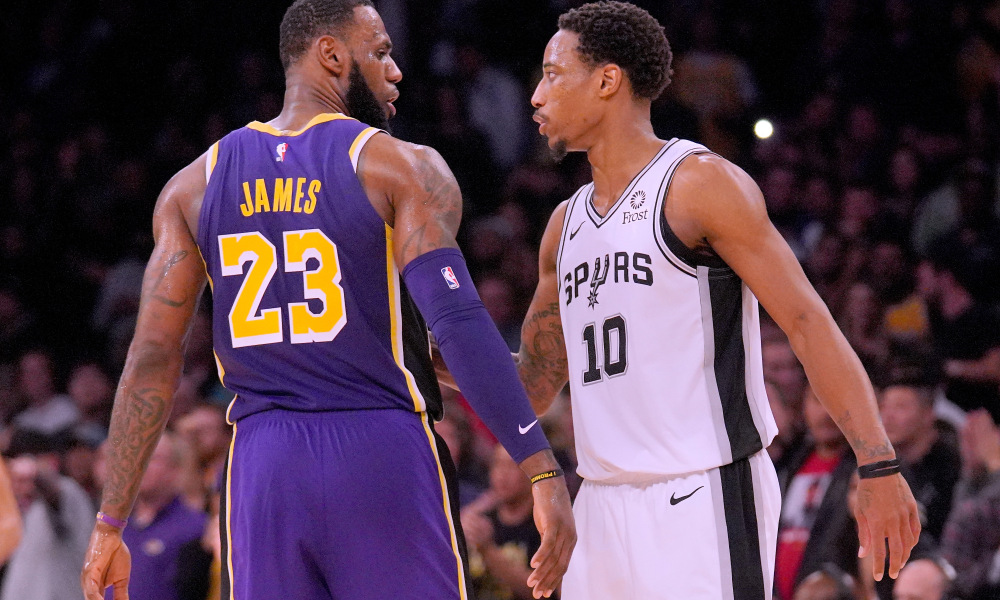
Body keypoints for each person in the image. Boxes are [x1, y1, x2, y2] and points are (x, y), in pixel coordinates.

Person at [80, 2, 574, 600]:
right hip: (379, 450)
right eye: (381, 52)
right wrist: (540, 466)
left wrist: (110, 521)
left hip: (262, 467)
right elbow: (461, 321)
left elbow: (151, 358)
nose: (395, 72)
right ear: (333, 56)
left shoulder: (192, 186)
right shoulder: (402, 167)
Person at [513, 2, 919, 598]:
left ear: (606, 80)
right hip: (600, 498)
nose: (536, 97)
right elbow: (534, 384)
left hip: (700, 493)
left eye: (552, 73)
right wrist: (411, 350)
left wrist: (877, 463)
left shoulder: (699, 184)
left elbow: (808, 323)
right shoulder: (562, 226)